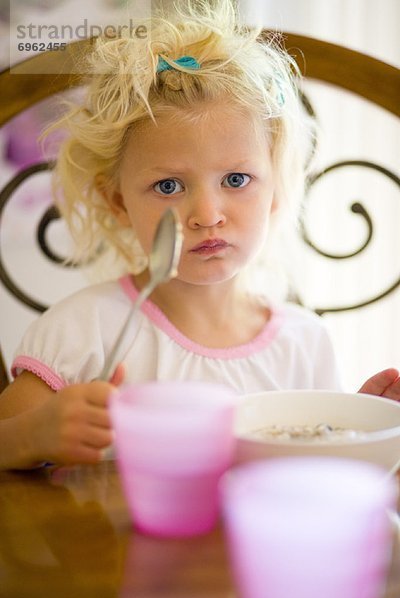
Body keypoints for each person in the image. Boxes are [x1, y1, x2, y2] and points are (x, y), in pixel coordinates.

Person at [0, 0, 399, 470]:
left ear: (275, 190)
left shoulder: (304, 343)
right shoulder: (85, 332)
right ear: (119, 202)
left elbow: (307, 477)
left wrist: (359, 433)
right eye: (168, 186)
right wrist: (34, 435)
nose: (207, 215)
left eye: (235, 180)